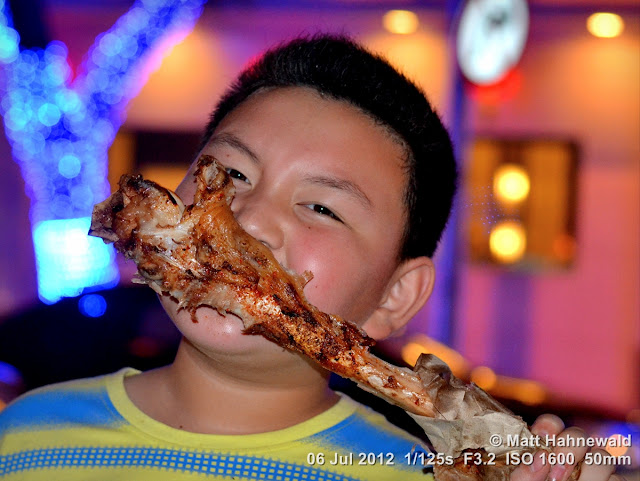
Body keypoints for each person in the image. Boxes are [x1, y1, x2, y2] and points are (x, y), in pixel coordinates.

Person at [0, 35, 621, 481]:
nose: (247, 218)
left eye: (322, 208)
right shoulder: (25, 437)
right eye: (229, 172)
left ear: (394, 296)